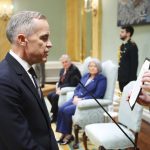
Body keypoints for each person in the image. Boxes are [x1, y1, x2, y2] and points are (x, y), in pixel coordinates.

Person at [0, 11, 59, 150]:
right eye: (44, 38)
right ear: (22, 40)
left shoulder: (28, 70)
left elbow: (44, 127)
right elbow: (20, 144)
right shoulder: (4, 81)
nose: (49, 44)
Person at [56, 58, 107, 145]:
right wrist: (75, 96)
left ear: (98, 68)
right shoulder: (86, 76)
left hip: (85, 102)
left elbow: (98, 95)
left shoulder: (101, 79)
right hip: (76, 98)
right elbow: (77, 87)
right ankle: (63, 133)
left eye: (94, 66)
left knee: (67, 110)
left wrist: (82, 99)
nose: (92, 68)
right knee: (61, 108)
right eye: (90, 66)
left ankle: (68, 135)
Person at [47, 54, 81, 123]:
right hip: (62, 89)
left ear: (70, 61)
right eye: (63, 62)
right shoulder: (62, 70)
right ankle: (55, 113)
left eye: (66, 62)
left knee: (55, 96)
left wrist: (61, 89)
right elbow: (60, 81)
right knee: (49, 95)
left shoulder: (74, 69)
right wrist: (58, 88)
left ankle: (54, 115)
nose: (64, 64)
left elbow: (72, 83)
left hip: (69, 89)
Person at [118, 25, 138, 92]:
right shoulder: (123, 46)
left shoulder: (132, 46)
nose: (120, 33)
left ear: (128, 33)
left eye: (122, 32)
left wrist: (132, 81)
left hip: (128, 79)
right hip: (122, 78)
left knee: (127, 99)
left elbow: (134, 64)